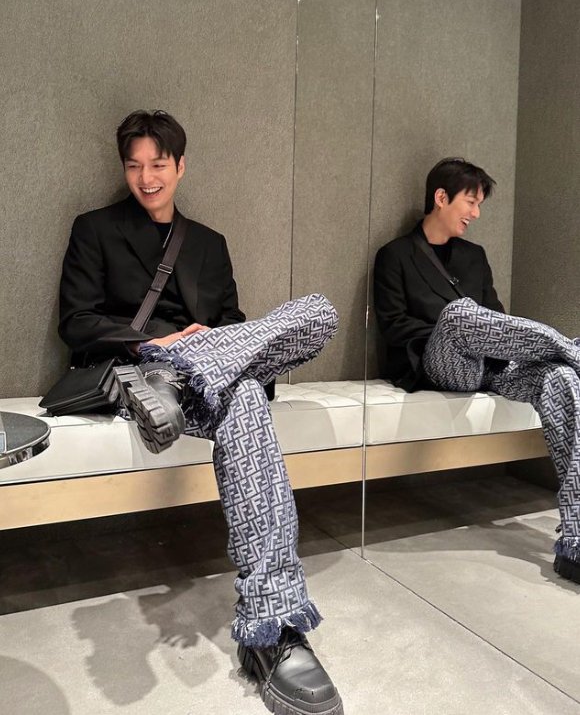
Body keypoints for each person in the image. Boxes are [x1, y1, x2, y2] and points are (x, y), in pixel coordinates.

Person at [59, 110, 343, 715]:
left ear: (181, 166)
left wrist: (206, 346)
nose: (147, 178)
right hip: (138, 379)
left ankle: (187, 369)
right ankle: (272, 628)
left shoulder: (210, 244)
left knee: (318, 312)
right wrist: (156, 343)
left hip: (197, 384)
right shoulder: (95, 229)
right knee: (246, 397)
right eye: (135, 166)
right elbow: (76, 323)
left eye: (158, 164)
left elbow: (236, 326)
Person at [374, 157, 580, 585]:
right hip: (437, 362)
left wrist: (485, 339)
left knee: (561, 378)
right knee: (459, 315)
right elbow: (393, 325)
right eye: (471, 202)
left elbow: (498, 320)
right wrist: (455, 329)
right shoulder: (395, 254)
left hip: (491, 366)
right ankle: (571, 348)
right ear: (441, 197)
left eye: (479, 204)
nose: (476, 213)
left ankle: (576, 537)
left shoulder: (475, 256)